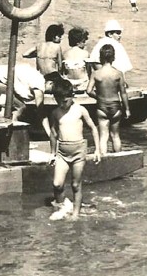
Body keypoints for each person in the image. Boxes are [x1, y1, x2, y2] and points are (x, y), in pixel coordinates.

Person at [48, 78, 101, 221]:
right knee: (57, 184)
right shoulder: (56, 112)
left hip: (78, 151)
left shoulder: (80, 110)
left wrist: (97, 149)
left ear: (72, 97)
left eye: (65, 101)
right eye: (58, 100)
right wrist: (53, 153)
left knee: (76, 184)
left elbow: (93, 128)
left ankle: (75, 213)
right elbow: (53, 133)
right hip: (62, 153)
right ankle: (62, 207)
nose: (62, 104)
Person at [86, 44, 130, 154]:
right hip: (115, 106)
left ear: (100, 58)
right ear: (113, 58)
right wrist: (127, 109)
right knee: (115, 135)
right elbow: (123, 93)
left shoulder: (96, 73)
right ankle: (119, 160)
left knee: (103, 136)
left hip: (102, 107)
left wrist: (99, 96)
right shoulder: (118, 74)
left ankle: (103, 161)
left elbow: (88, 90)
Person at [0, 62, 47, 126]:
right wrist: (49, 133)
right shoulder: (39, 85)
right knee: (20, 107)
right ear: (50, 83)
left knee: (14, 106)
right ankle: (11, 128)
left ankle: (1, 118)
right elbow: (40, 111)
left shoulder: (36, 77)